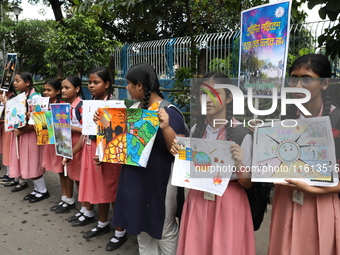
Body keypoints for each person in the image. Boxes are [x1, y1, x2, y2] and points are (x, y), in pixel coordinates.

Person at [171, 73, 255, 255]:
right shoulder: (196, 129)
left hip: (229, 203)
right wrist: (179, 154)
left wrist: (239, 163)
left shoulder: (242, 134)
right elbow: (190, 169)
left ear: (229, 97)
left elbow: (247, 184)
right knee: (197, 246)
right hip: (198, 198)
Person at [267, 54, 340, 255]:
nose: (297, 85)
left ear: (325, 83)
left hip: (321, 203)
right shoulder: (285, 117)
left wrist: (313, 190)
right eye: (293, 78)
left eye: (307, 78)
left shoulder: (337, 120)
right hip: (285, 199)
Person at [111, 63, 186, 254]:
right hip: (135, 180)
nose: (126, 87)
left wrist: (166, 127)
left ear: (140, 85)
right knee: (141, 229)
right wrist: (104, 127)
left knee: (164, 230)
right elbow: (124, 143)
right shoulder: (134, 109)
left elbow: (181, 152)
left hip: (159, 182)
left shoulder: (169, 112)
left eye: (129, 83)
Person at [64, 68, 125, 250]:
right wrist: (71, 153)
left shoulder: (114, 104)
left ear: (107, 84)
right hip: (91, 152)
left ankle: (120, 232)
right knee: (100, 191)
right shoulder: (90, 103)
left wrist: (104, 153)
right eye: (89, 82)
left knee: (112, 192)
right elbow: (85, 134)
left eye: (96, 82)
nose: (91, 86)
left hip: (108, 156)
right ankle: (102, 224)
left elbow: (117, 137)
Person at [9, 72, 49, 203]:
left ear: (27, 82)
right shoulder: (22, 96)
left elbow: (39, 121)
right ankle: (37, 189)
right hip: (24, 134)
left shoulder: (35, 97)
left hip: (31, 135)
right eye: (14, 81)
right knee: (27, 161)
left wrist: (22, 131)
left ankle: (43, 190)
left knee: (33, 161)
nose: (14, 83)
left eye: (17, 80)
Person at [51, 76, 83, 214]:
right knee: (71, 174)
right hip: (66, 142)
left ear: (77, 89)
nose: (63, 90)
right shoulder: (66, 105)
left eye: (67, 87)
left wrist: (69, 127)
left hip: (78, 145)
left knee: (80, 177)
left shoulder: (80, 107)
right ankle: (70, 200)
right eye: (62, 87)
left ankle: (86, 209)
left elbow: (87, 130)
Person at [40, 78, 71, 213]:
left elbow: (64, 125)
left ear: (57, 91)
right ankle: (64, 197)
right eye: (44, 90)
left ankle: (69, 199)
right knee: (59, 171)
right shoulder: (42, 104)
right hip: (50, 142)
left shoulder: (62, 105)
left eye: (49, 90)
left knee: (65, 171)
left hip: (62, 142)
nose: (46, 92)